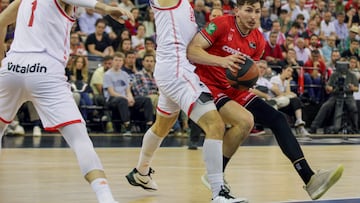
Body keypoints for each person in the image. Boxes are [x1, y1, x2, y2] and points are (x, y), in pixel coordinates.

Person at [187, 0, 343, 200]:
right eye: (248, 10)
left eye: (257, 11)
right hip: (209, 86)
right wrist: (222, 61)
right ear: (236, 10)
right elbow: (192, 51)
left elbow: (245, 73)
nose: (253, 16)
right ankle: (215, 175)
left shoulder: (258, 40)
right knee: (245, 121)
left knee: (277, 119)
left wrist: (246, 81)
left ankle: (310, 179)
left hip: (234, 89)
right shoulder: (221, 24)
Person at [0, 1, 133, 202]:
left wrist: (2, 59)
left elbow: (1, 21)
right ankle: (105, 197)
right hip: (45, 68)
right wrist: (105, 9)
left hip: (12, 67)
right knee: (79, 138)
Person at [125, 0, 247, 202]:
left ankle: (141, 172)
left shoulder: (185, 5)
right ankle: (219, 193)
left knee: (162, 126)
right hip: (177, 73)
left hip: (170, 72)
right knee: (215, 124)